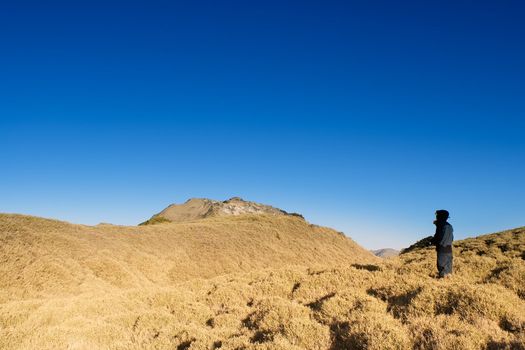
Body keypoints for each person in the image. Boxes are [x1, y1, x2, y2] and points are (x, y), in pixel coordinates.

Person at [431, 210, 454, 278]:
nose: (436, 217)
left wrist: (432, 242)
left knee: (442, 265)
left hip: (442, 248)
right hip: (449, 249)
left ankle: (443, 280)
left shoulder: (442, 225)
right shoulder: (449, 226)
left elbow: (439, 237)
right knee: (448, 266)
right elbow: (452, 238)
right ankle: (448, 280)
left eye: (437, 216)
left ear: (440, 216)